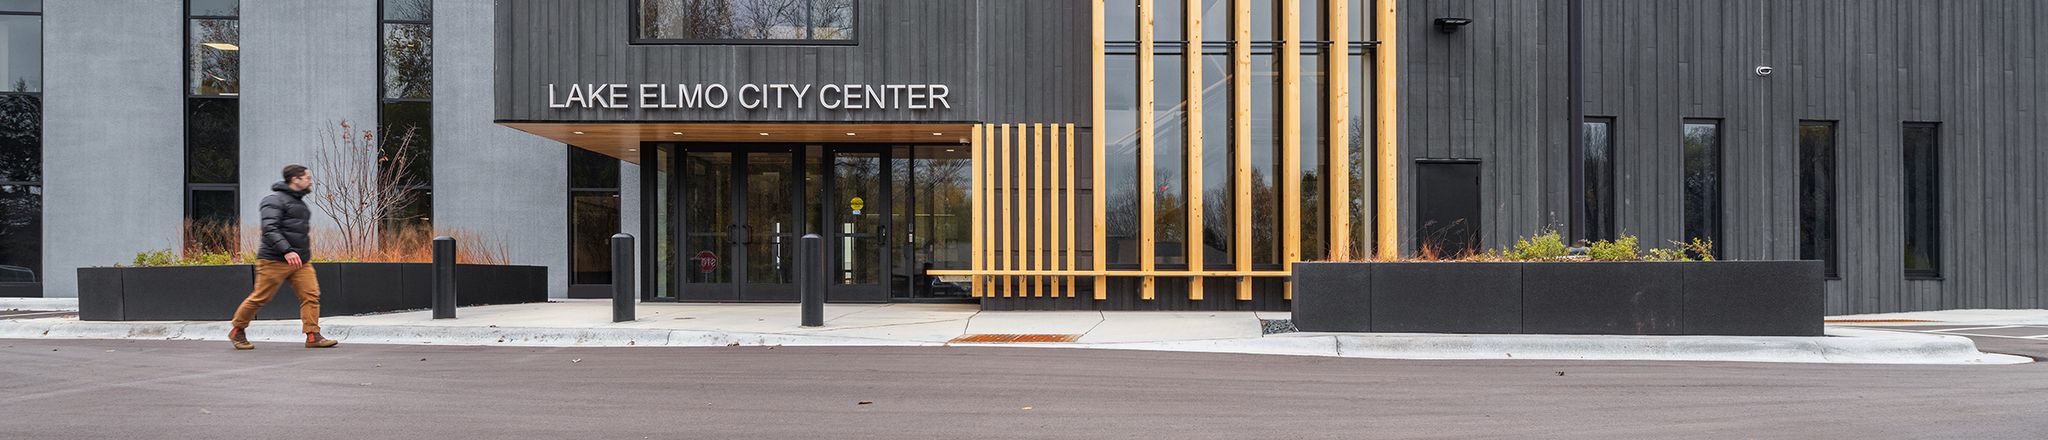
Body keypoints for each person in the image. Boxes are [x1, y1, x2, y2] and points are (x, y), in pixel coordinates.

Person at [227, 164, 338, 349]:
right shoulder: (273, 200)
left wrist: (299, 253)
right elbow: (270, 229)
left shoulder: (299, 202)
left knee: (311, 295)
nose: (310, 181)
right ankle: (237, 330)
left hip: (300, 261)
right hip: (274, 260)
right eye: (307, 178)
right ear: (295, 179)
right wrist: (287, 250)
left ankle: (313, 336)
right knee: (260, 297)